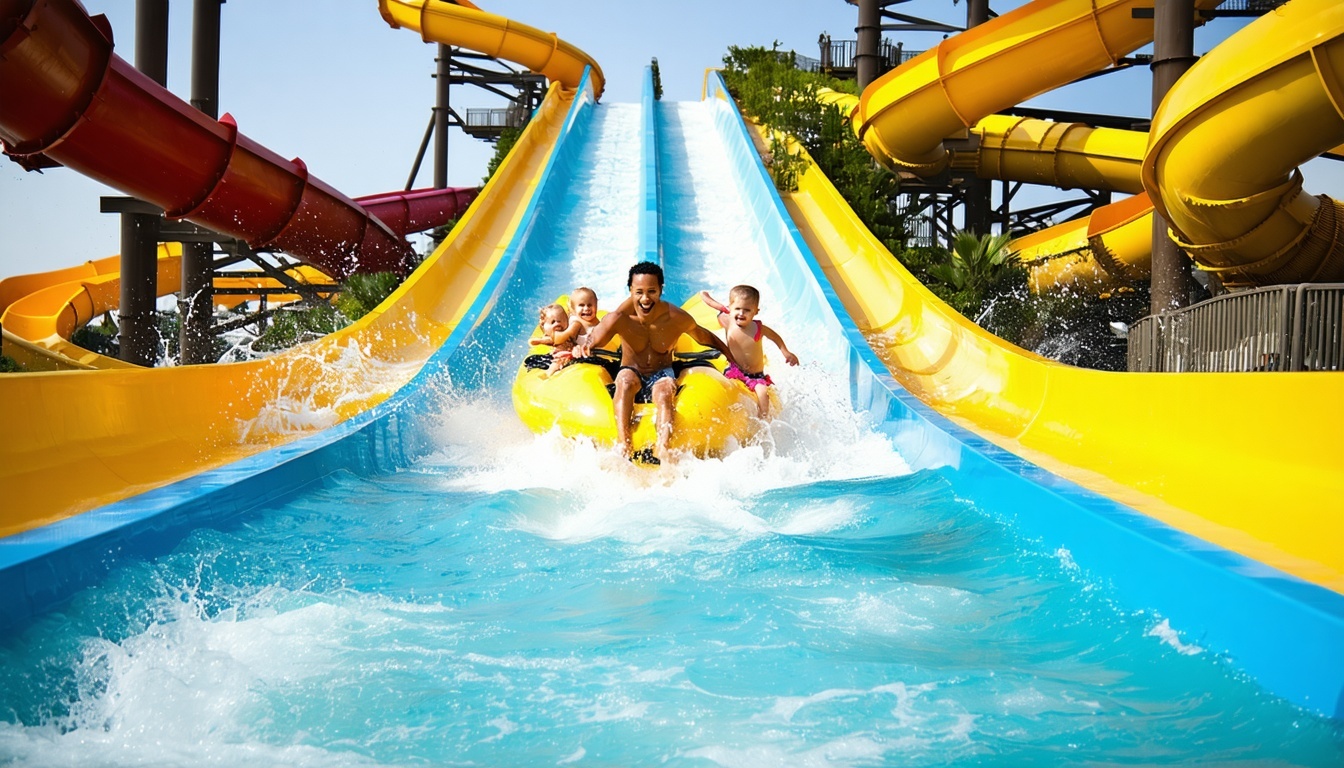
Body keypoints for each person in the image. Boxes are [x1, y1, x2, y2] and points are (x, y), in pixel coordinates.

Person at [574, 262, 739, 463]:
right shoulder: (620, 318)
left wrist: (730, 356)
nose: (645, 298)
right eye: (639, 292)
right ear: (631, 291)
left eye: (652, 291)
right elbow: (596, 337)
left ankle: (663, 447)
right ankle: (623, 442)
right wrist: (584, 346)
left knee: (663, 392)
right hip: (631, 369)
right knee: (624, 381)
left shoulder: (675, 317)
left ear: (661, 289)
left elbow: (703, 336)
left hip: (662, 372)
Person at [699, 285, 798, 419]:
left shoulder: (758, 328)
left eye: (747, 310)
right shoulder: (728, 321)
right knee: (726, 389)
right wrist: (704, 295)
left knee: (763, 394)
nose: (741, 313)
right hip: (735, 371)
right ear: (730, 308)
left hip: (756, 376)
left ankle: (762, 423)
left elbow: (775, 337)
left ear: (755, 311)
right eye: (737, 309)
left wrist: (786, 352)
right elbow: (715, 306)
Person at [529, 303, 581, 376]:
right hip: (561, 356)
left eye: (560, 321)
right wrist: (539, 341)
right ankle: (548, 375)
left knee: (578, 350)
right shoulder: (554, 337)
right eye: (553, 322)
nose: (557, 323)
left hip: (572, 352)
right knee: (555, 364)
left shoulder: (569, 333)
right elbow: (549, 340)